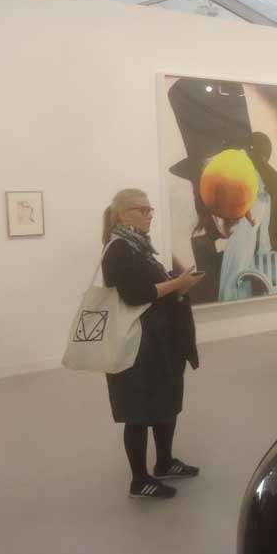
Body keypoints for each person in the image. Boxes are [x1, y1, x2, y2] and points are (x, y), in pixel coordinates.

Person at [101, 189, 203, 500]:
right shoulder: (119, 249)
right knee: (139, 411)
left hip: (159, 341)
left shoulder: (139, 246)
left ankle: (164, 462)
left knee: (165, 403)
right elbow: (136, 294)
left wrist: (177, 284)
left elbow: (152, 286)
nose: (148, 215)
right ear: (122, 215)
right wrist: (177, 284)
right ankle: (140, 480)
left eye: (150, 210)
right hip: (138, 344)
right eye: (141, 210)